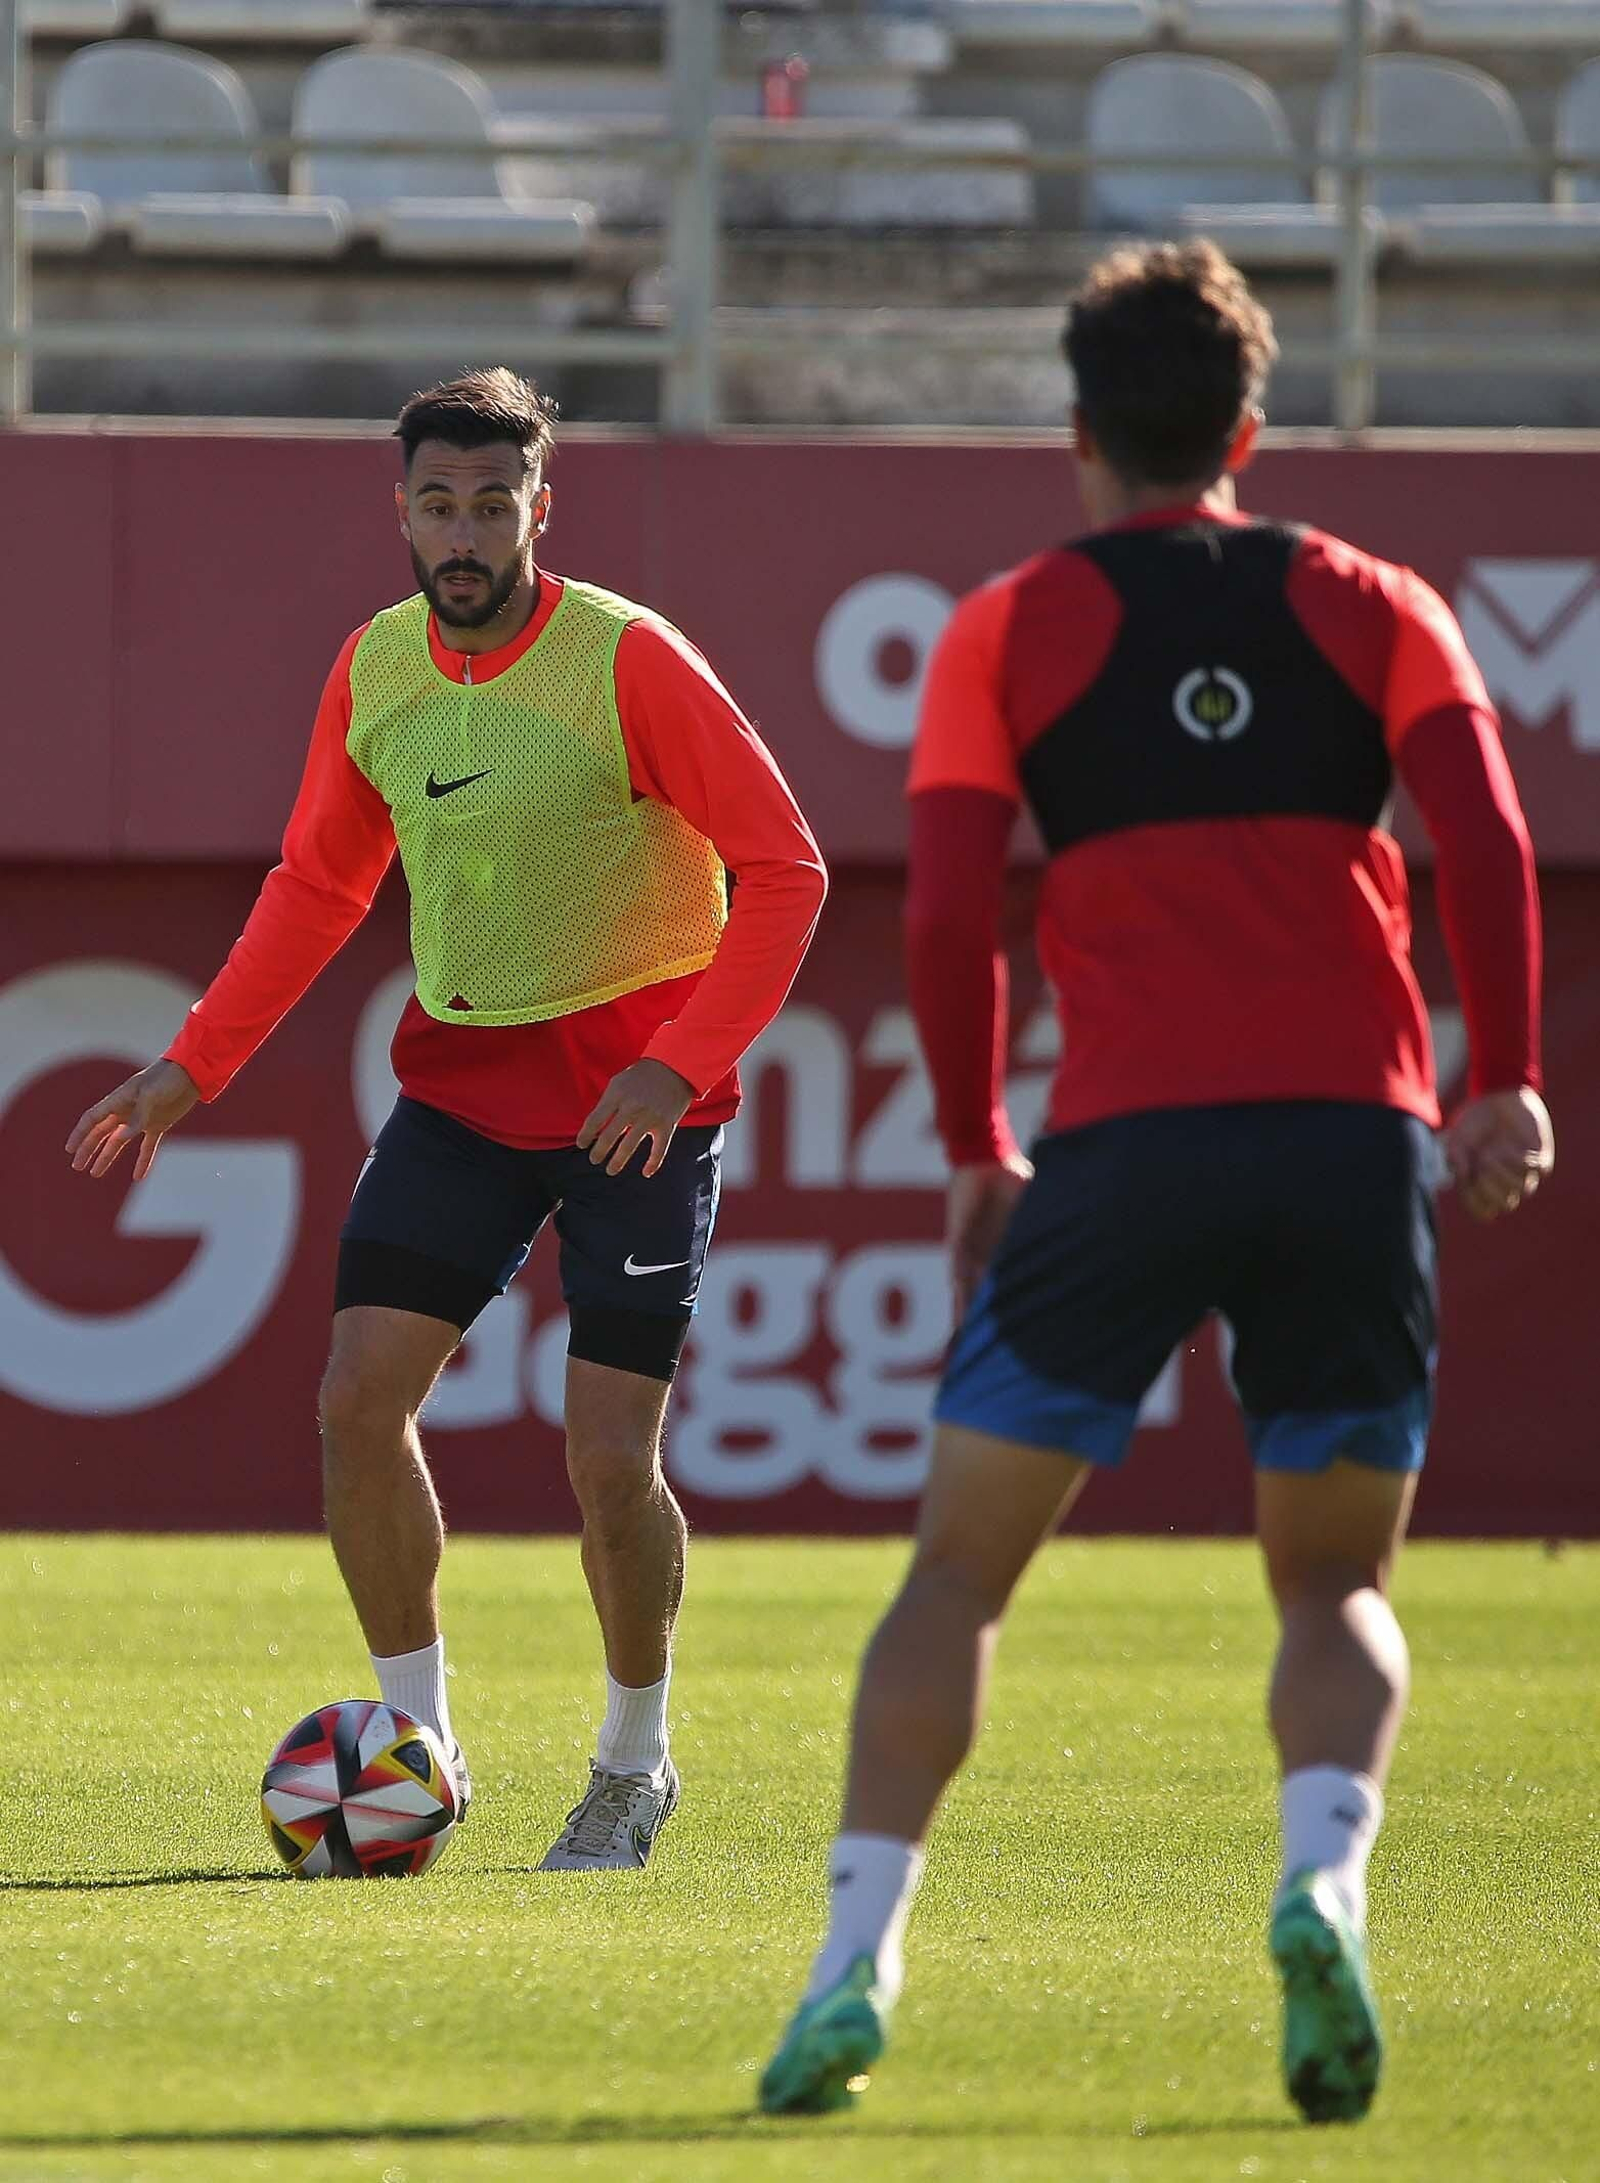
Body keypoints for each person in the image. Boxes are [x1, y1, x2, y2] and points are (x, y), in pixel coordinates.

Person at [760, 243, 1552, 2122]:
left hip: (1122, 1150)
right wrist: (1503, 1080)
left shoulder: (1005, 626)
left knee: (957, 1573)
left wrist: (973, 1146)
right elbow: (1493, 840)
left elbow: (954, 911)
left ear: (1079, 434)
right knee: (1336, 1580)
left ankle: (855, 1960)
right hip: (1352, 1143)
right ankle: (1322, 1885)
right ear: (1248, 431)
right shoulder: (1378, 601)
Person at [67, 368, 827, 1870]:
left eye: (495, 503)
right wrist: (191, 1065)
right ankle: (418, 1747)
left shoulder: (630, 662)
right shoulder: (377, 667)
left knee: (609, 1456)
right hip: (467, 1089)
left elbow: (788, 871)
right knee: (357, 1404)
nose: (465, 530)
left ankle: (633, 1763)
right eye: (439, 503)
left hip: (636, 1104)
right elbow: (318, 885)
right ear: (401, 513)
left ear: (543, 508)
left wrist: (674, 1065)